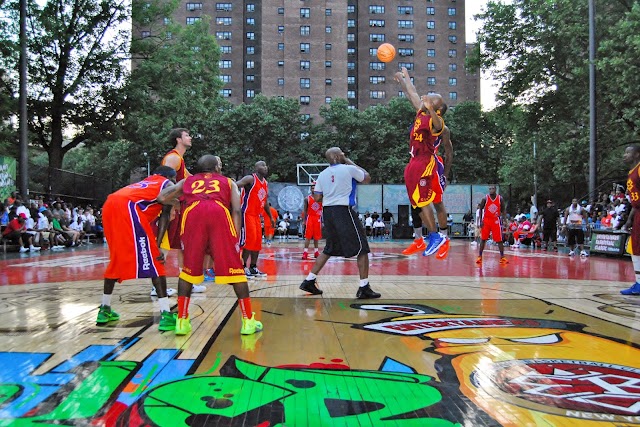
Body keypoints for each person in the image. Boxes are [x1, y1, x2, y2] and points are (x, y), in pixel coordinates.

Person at [156, 155, 263, 335]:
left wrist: (176, 202)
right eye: (219, 164)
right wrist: (234, 238)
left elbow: (161, 197)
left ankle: (181, 321)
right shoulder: (228, 182)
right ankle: (248, 322)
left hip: (193, 213)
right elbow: (236, 209)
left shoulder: (187, 180)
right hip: (218, 212)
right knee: (236, 270)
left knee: (188, 270)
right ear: (216, 168)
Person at [96, 166, 179, 332]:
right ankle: (166, 314)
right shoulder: (167, 184)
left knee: (117, 261)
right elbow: (164, 217)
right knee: (154, 260)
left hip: (110, 205)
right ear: (169, 177)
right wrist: (158, 244)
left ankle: (104, 310)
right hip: (128, 209)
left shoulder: (147, 183)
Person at [299, 147, 380, 299]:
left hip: (328, 212)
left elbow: (317, 197)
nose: (344, 154)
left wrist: (331, 194)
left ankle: (309, 280)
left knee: (329, 249)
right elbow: (367, 178)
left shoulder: (322, 175)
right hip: (344, 210)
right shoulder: (349, 169)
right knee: (362, 248)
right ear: (337, 156)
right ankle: (364, 287)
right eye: (341, 153)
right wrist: (348, 159)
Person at [394, 67, 452, 258]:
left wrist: (445, 175)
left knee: (432, 202)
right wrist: (404, 79)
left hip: (428, 163)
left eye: (430, 98)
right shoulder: (421, 114)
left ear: (435, 109)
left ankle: (439, 237)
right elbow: (412, 93)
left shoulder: (435, 123)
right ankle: (421, 239)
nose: (425, 97)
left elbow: (440, 131)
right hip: (415, 161)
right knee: (416, 203)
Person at [159, 128, 201, 295]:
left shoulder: (180, 161)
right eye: (187, 135)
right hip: (169, 209)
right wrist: (169, 206)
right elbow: (163, 184)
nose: (190, 138)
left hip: (179, 209)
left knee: (184, 245)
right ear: (178, 139)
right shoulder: (172, 158)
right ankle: (157, 286)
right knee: (164, 247)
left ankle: (188, 280)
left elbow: (192, 180)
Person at [236, 161, 275, 278]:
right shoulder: (250, 179)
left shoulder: (265, 183)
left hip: (257, 216)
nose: (265, 166)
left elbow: (265, 202)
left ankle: (253, 267)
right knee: (248, 241)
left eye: (266, 165)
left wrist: (270, 217)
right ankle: (242, 267)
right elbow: (235, 185)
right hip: (247, 214)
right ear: (256, 167)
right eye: (262, 165)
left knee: (257, 243)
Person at [620, 145, 640, 295]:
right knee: (634, 248)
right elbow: (635, 202)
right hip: (637, 212)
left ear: (637, 154)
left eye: (628, 152)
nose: (624, 155)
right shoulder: (631, 172)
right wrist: (628, 221)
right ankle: (639, 283)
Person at [475, 185, 508, 265]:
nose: (491, 190)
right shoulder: (485, 198)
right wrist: (480, 221)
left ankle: (502, 257)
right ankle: (479, 256)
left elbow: (503, 210)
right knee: (483, 239)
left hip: (495, 220)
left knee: (499, 240)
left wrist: (504, 220)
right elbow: (480, 209)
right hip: (486, 220)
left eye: (492, 188)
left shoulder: (500, 199)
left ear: (495, 189)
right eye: (490, 189)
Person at [302, 182, 322, 259]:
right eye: (312, 188)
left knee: (316, 237)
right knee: (308, 236)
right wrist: (304, 221)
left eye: (315, 188)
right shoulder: (307, 199)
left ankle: (316, 252)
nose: (313, 189)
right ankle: (305, 252)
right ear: (310, 189)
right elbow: (305, 210)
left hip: (318, 218)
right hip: (310, 218)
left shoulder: (321, 198)